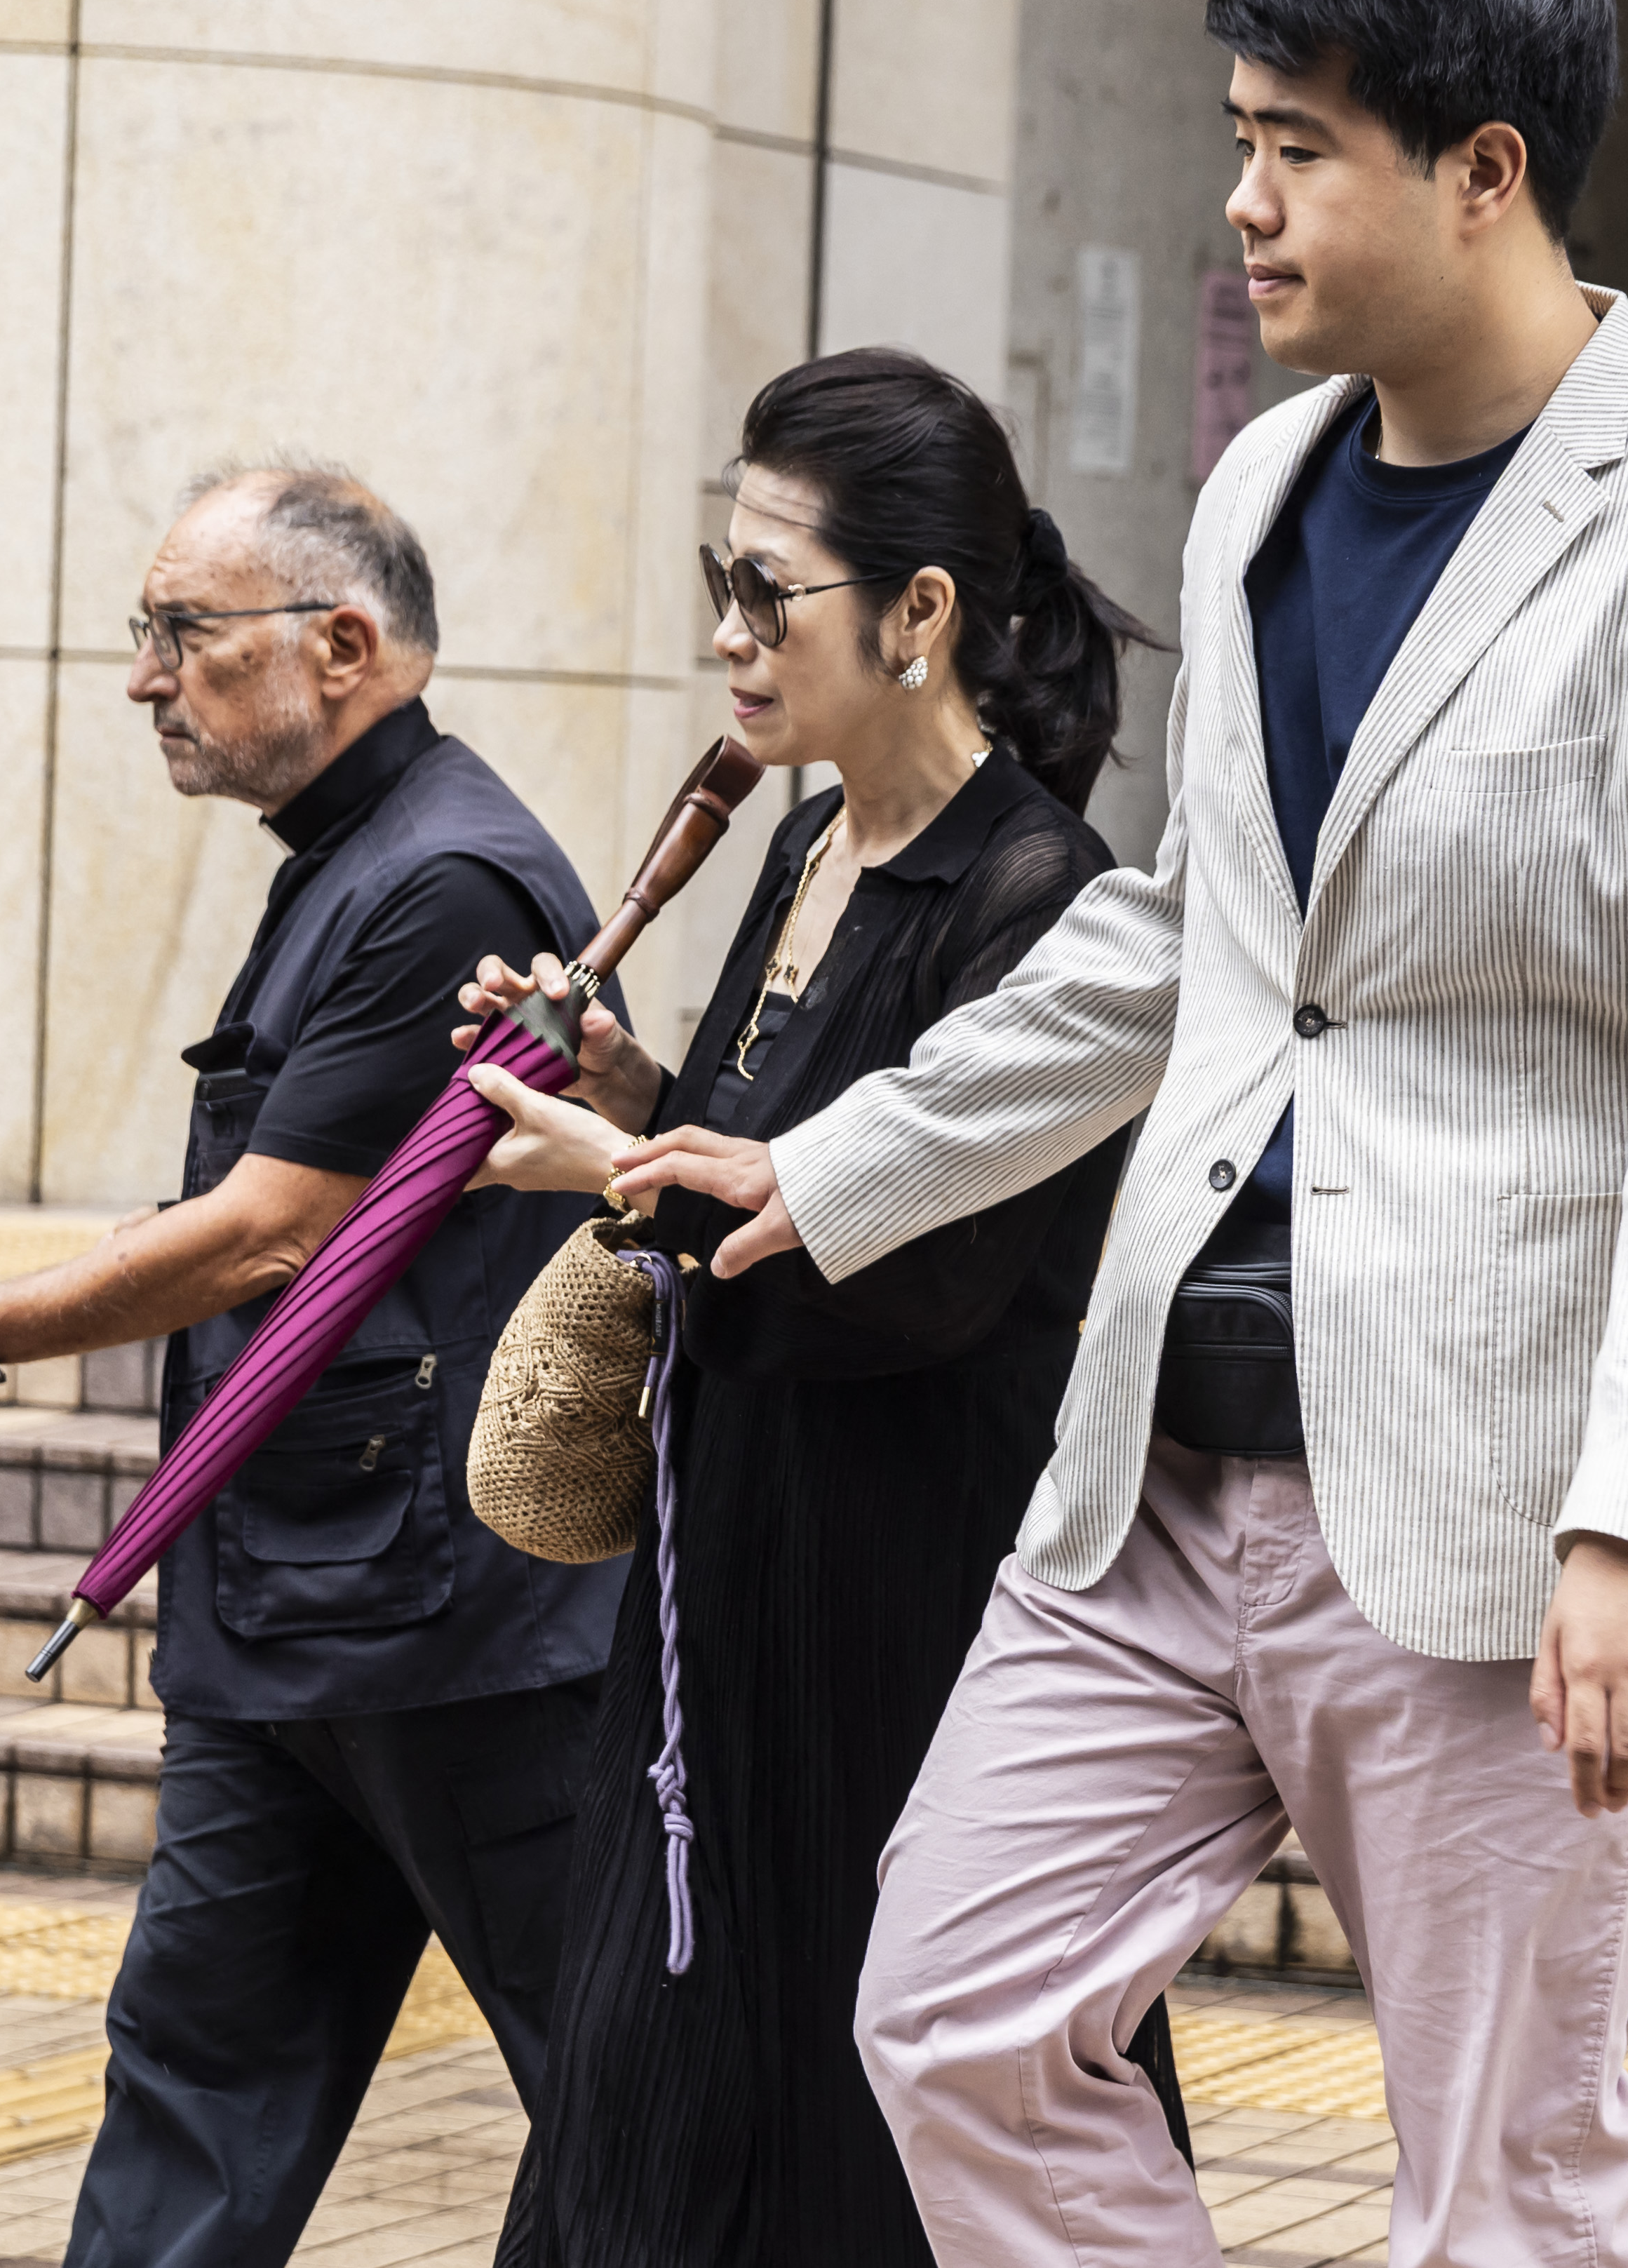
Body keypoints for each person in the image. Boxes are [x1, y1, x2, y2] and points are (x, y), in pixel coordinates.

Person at [606, 0, 1628, 2264]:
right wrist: (840, 1160)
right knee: (952, 2016)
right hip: (1158, 1476)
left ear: (1482, 170)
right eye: (1239, 137)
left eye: (1298, 145)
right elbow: (1192, 942)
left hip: (1493, 1507)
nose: (1243, 202)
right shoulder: (1259, 497)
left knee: (1505, 2177)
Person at [0, 464, 622, 2268]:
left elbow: (270, 1234)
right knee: (191, 2087)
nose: (144, 677)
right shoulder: (355, 856)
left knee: (629, 2093)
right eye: (145, 632)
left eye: (183, 632)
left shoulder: (445, 877)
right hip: (291, 1613)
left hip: (452, 1630)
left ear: (343, 646)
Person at [451, 347, 1164, 2268]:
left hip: (899, 1610)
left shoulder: (1039, 891)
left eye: (768, 592)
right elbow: (750, 1142)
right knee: (646, 2098)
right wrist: (619, 1089)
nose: (728, 634)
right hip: (724, 1587)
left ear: (918, 612)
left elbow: (919, 1282)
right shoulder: (803, 836)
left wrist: (615, 1175)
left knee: (872, 2129)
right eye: (723, 578)